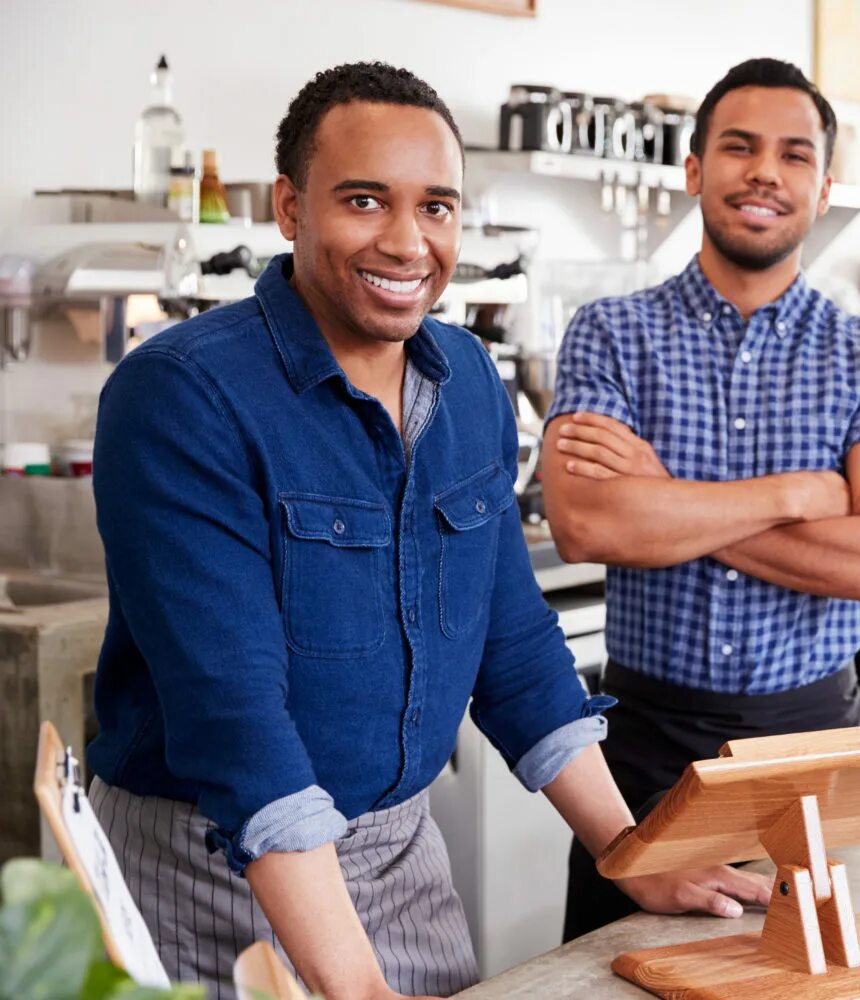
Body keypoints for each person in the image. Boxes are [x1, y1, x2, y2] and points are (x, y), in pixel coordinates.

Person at [87, 61, 767, 1000]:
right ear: (290, 206)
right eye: (365, 201)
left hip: (402, 859)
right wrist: (359, 988)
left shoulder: (466, 379)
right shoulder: (181, 396)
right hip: (215, 873)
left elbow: (514, 644)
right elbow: (235, 723)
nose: (408, 243)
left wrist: (626, 850)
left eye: (438, 208)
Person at [544, 58, 860, 942]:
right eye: (739, 147)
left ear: (823, 187)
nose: (765, 171)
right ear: (694, 171)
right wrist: (794, 496)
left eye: (794, 155)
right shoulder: (611, 333)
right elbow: (587, 523)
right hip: (642, 759)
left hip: (812, 759)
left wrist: (668, 503)